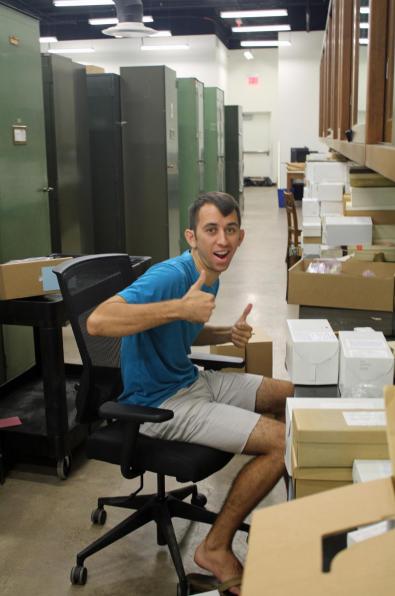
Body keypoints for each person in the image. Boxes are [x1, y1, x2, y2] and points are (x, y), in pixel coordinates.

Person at [87, 191, 294, 595]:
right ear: (191, 236)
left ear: (242, 236)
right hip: (158, 404)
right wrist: (179, 309)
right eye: (211, 230)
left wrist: (222, 333)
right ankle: (215, 548)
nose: (222, 241)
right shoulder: (172, 275)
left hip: (191, 380)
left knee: (290, 396)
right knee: (282, 442)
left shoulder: (209, 275)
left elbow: (180, 328)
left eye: (230, 230)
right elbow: (99, 321)